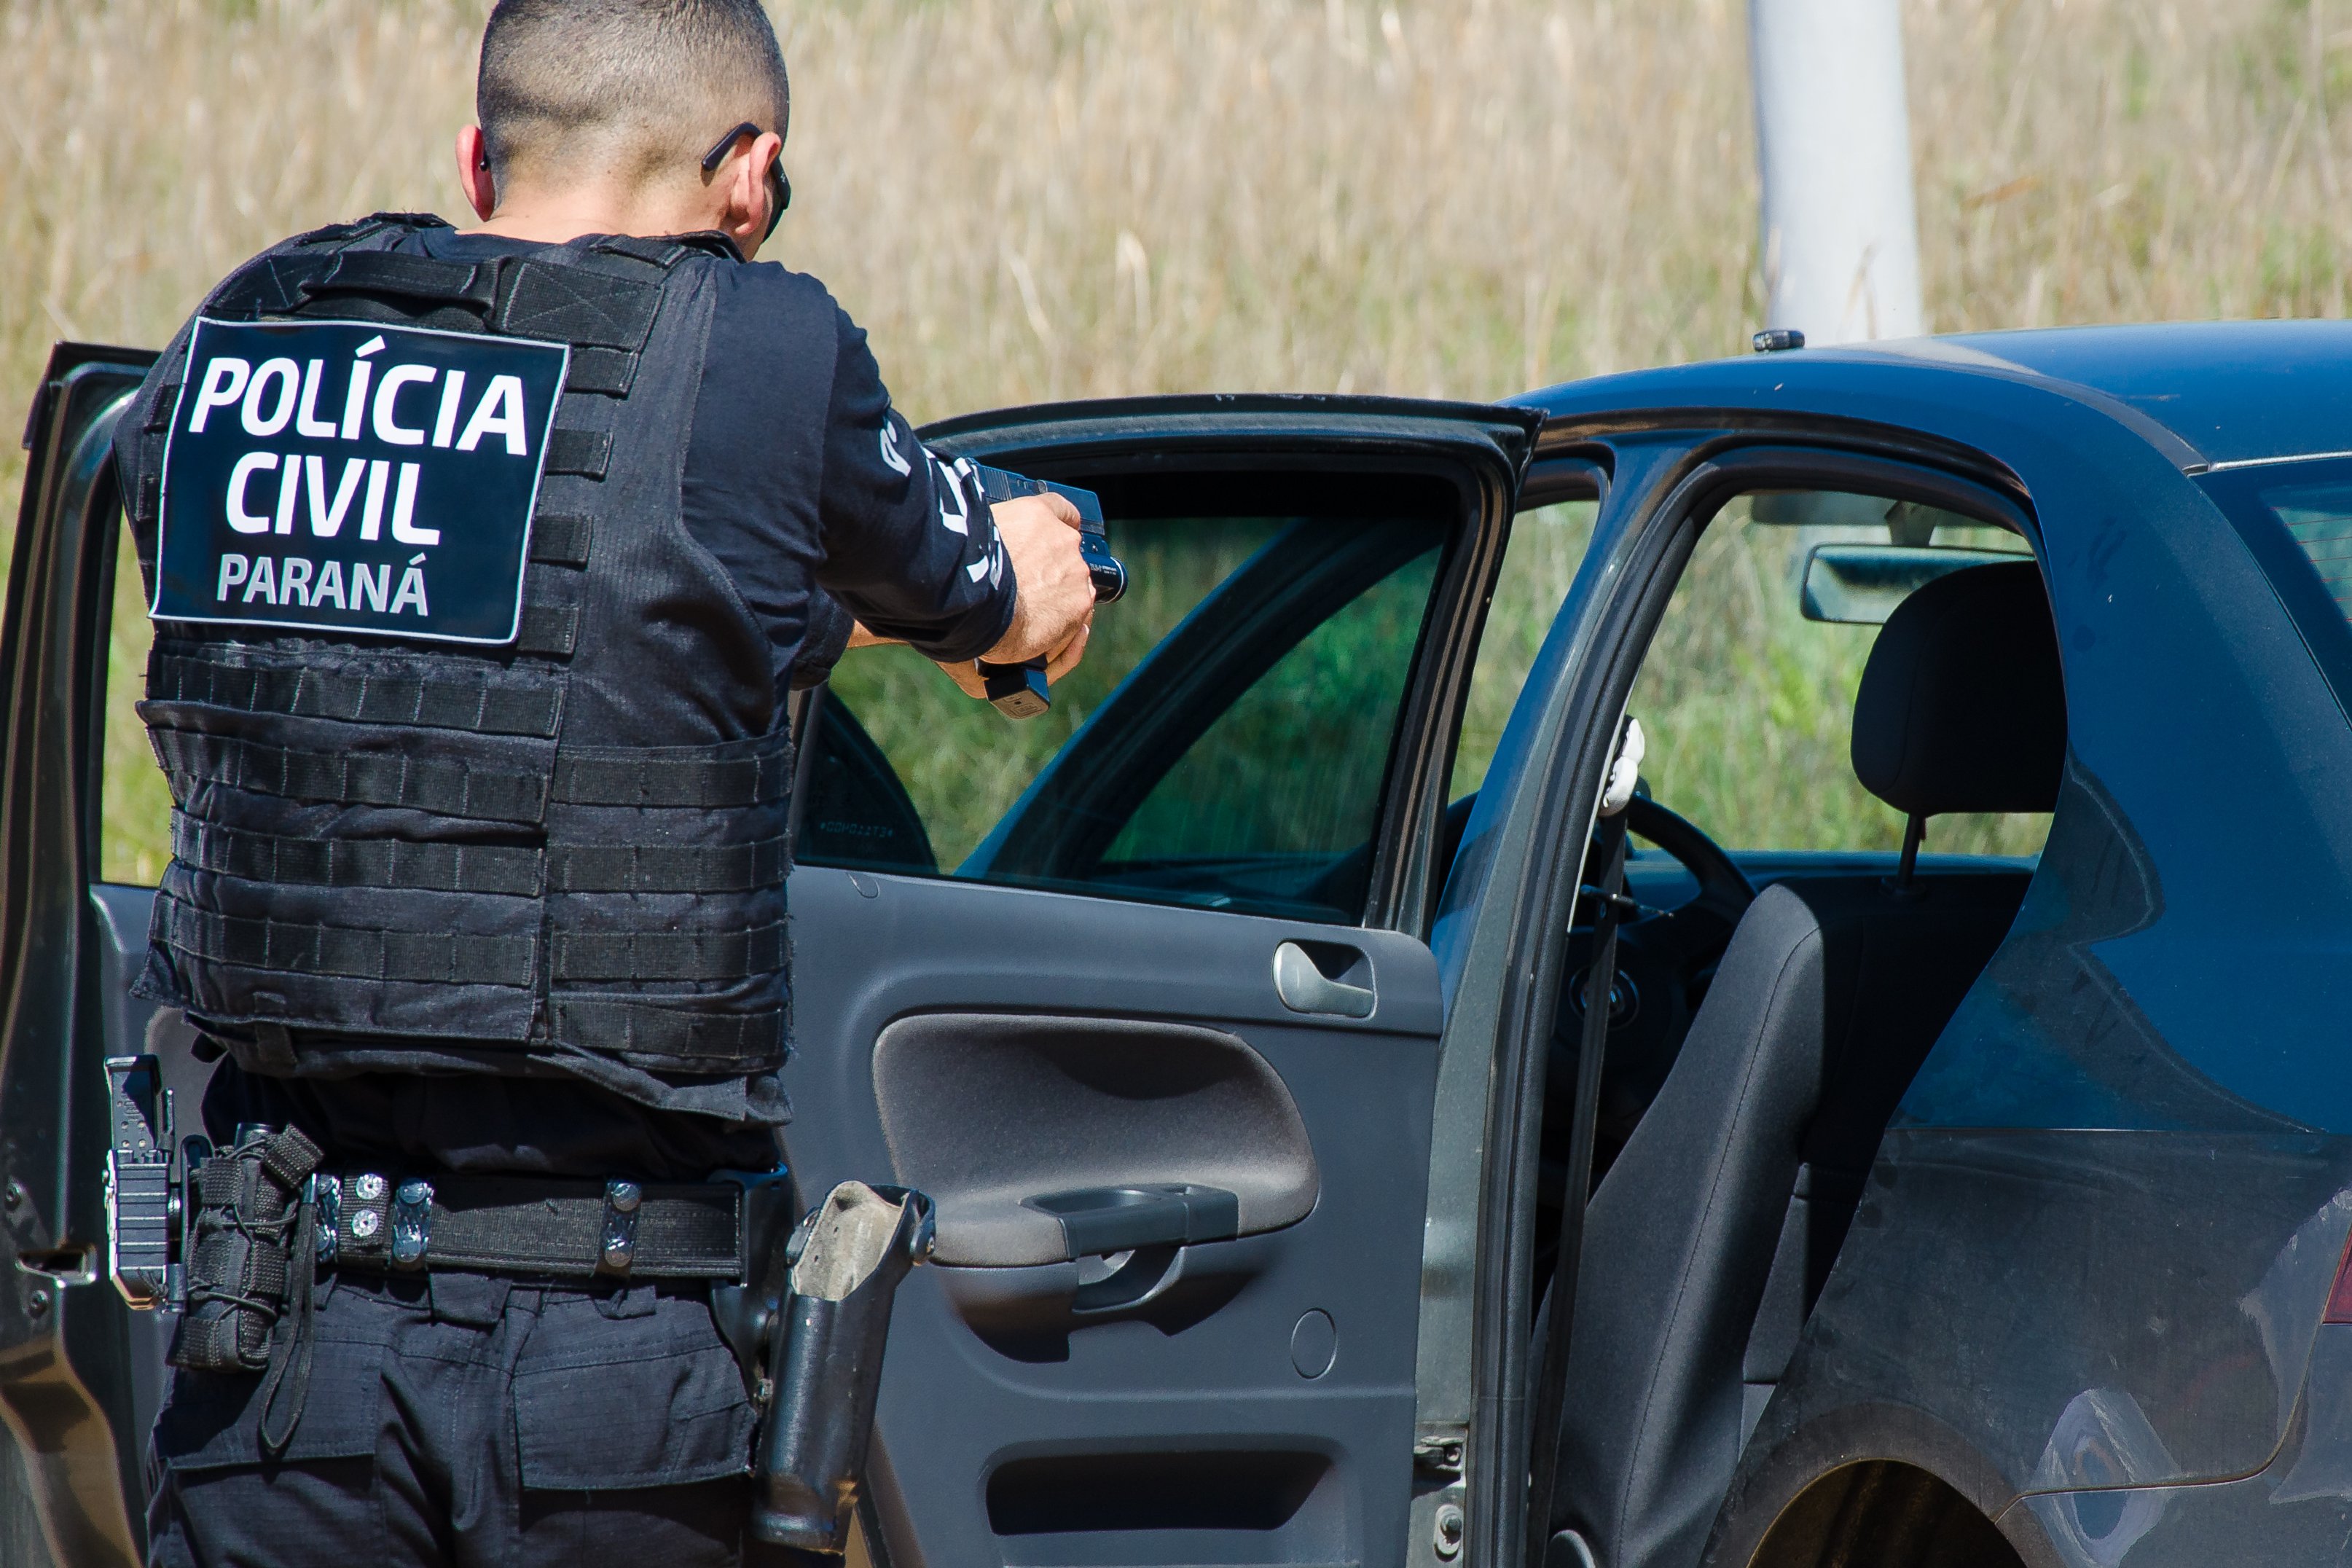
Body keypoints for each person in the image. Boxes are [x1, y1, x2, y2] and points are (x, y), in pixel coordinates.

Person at [109, 2, 1094, 1563]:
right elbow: (988, 595)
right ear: (750, 179)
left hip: (271, 1353)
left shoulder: (243, 334)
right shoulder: (760, 353)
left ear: (477, 158)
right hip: (608, 1365)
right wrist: (1032, 575)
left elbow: (438, 637)